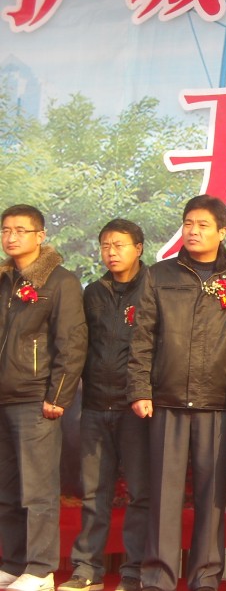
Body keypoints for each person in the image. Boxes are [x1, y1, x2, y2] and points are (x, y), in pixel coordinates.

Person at [127, 195, 226, 591]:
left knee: (211, 497)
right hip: (165, 400)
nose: (193, 231)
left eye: (202, 225)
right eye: (188, 223)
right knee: (163, 496)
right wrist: (140, 388)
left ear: (222, 231)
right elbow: (142, 337)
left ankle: (205, 578)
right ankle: (158, 578)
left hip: (217, 402)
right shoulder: (159, 275)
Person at [57, 220, 149, 591]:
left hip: (136, 407)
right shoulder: (93, 292)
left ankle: (134, 571)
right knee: (95, 493)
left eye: (119, 245)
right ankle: (87, 570)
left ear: (138, 248)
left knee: (140, 493)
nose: (112, 252)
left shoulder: (154, 289)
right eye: (106, 245)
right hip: (95, 404)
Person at [0, 204, 87, 591]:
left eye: (21, 230)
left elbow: (72, 343)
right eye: (6, 230)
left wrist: (59, 395)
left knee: (38, 490)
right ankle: (13, 562)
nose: (11, 237)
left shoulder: (60, 281)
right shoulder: (4, 279)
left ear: (40, 236)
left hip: (36, 398)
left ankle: (40, 569)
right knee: (6, 488)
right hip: (2, 397)